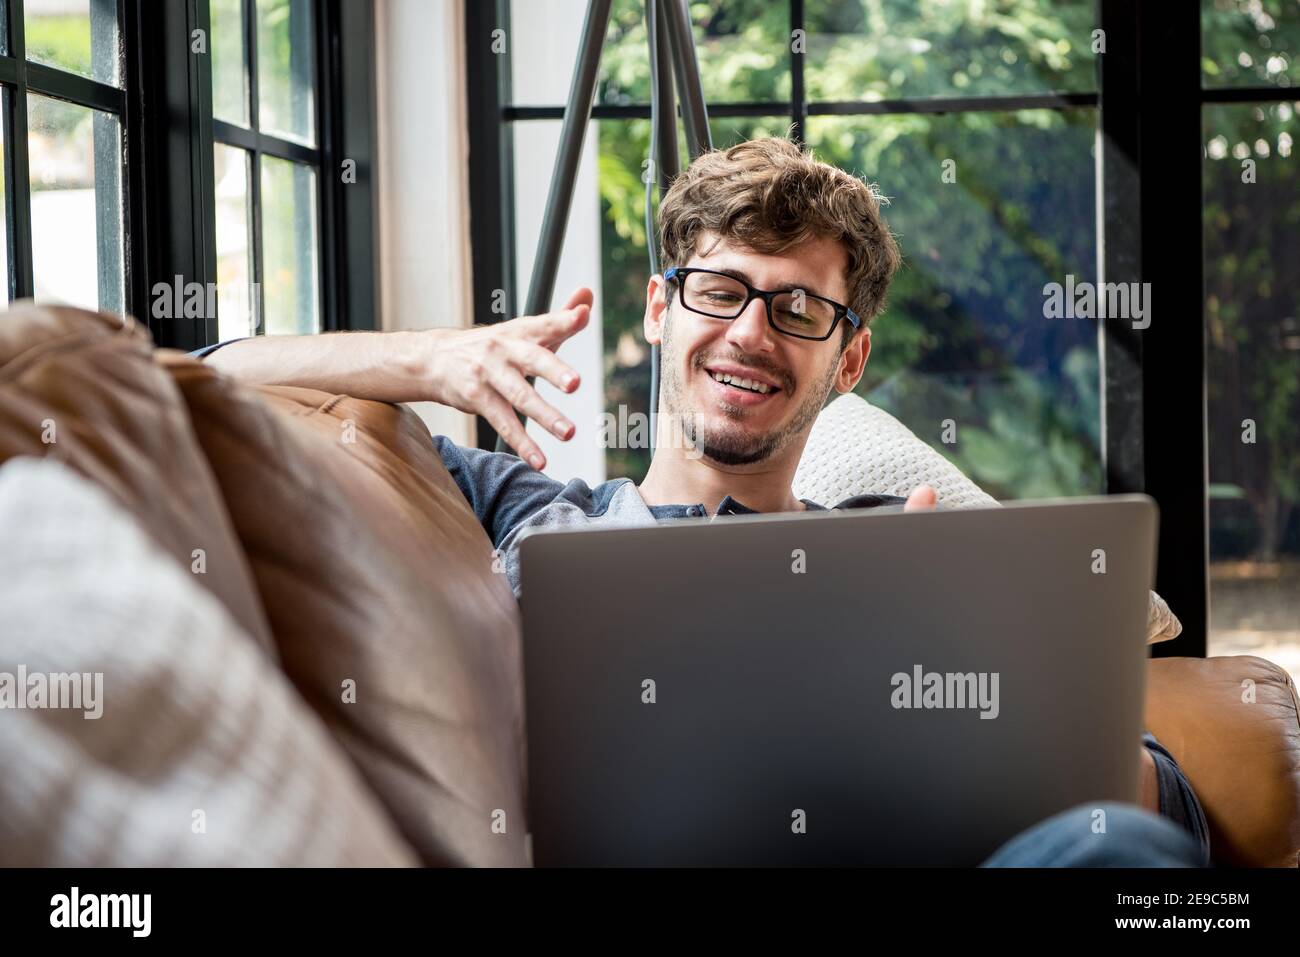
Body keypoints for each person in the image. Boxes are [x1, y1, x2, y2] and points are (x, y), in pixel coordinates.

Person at [194, 137, 1210, 867]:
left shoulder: (899, 554)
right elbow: (190, 379)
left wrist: (987, 671)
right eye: (720, 291)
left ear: (847, 357)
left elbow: (1171, 824)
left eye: (798, 309)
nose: (751, 334)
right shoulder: (524, 512)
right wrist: (429, 360)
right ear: (660, 308)